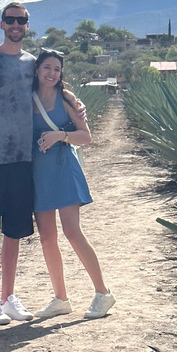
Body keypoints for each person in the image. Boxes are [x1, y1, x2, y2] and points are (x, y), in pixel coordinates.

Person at [0, 3, 82, 326]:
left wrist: (74, 102)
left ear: (27, 26)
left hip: (22, 160)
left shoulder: (31, 64)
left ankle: (7, 297)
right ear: (2, 24)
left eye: (21, 21)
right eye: (10, 20)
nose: (16, 25)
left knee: (14, 233)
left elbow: (52, 84)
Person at [29, 49, 115, 319]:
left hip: (64, 169)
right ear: (36, 70)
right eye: (47, 67)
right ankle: (60, 298)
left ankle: (103, 293)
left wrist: (60, 135)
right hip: (38, 172)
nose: (52, 73)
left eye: (57, 69)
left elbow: (86, 137)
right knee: (46, 237)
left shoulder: (67, 98)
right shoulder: (26, 98)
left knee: (72, 231)